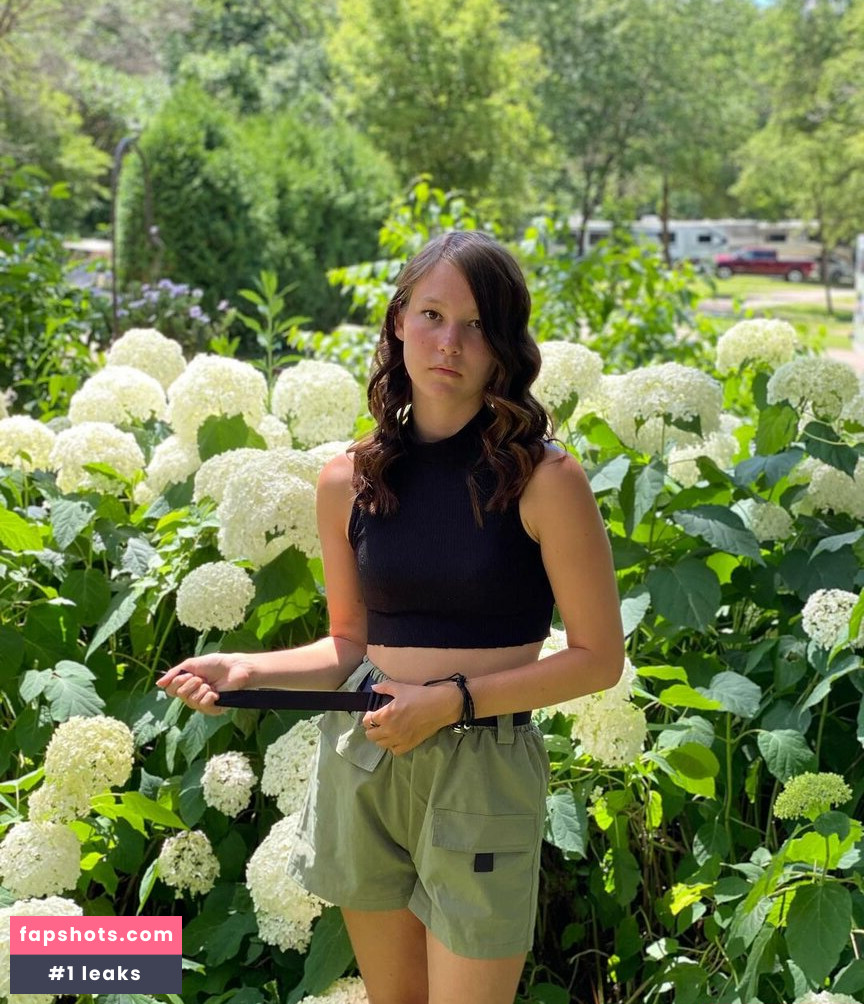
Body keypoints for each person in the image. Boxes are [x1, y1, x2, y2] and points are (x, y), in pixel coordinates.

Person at [157, 230, 625, 1004]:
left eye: (476, 325)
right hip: (364, 761)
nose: (449, 343)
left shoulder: (545, 479)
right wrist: (243, 668)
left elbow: (598, 659)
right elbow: (348, 644)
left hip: (481, 768)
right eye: (432, 315)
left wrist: (451, 702)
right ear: (399, 320)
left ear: (505, 344)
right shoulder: (347, 478)